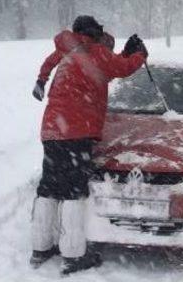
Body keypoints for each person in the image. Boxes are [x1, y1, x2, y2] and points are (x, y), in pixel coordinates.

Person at [30, 15, 148, 275]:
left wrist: (41, 80)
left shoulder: (67, 51)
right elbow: (123, 68)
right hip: (77, 130)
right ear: (95, 33)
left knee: (49, 187)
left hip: (52, 128)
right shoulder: (96, 52)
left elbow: (53, 63)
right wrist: (139, 55)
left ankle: (41, 248)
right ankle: (73, 255)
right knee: (75, 190)